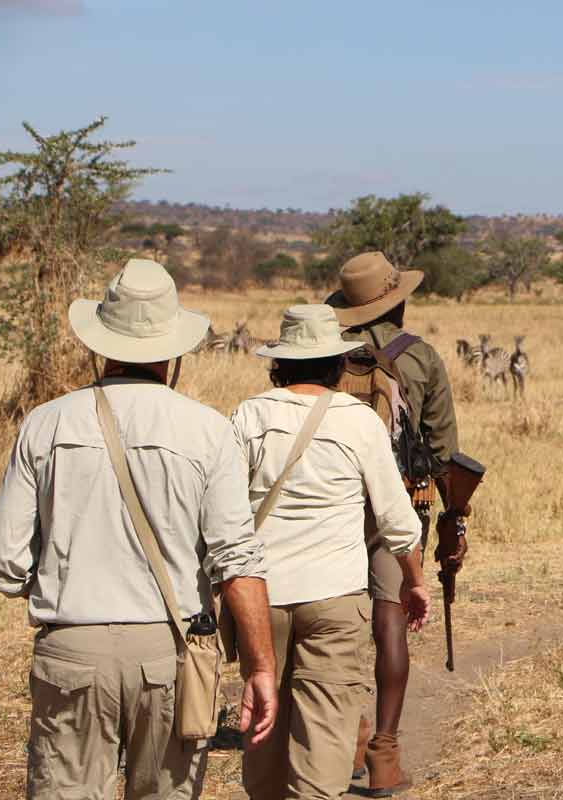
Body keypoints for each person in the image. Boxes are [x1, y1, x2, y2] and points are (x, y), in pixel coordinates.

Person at [0, 258, 277, 800]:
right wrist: (261, 668)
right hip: (170, 652)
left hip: (71, 649)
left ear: (99, 345)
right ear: (174, 354)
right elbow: (236, 562)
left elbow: (4, 565)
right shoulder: (208, 430)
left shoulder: (45, 423)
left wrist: (64, 577)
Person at [232, 304, 428, 800]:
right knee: (322, 753)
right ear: (338, 365)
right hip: (335, 600)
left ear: (278, 364)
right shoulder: (358, 420)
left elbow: (222, 512)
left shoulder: (249, 415)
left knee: (264, 735)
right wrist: (415, 580)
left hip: (260, 597)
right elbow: (398, 521)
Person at [326, 251, 468, 794]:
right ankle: (384, 753)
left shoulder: (326, 352)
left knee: (333, 615)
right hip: (402, 504)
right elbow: (444, 451)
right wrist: (454, 521)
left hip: (333, 506)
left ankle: (347, 735)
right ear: (399, 301)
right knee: (389, 617)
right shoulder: (422, 357)